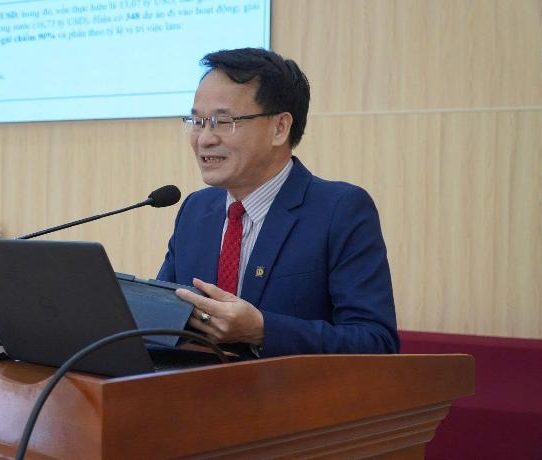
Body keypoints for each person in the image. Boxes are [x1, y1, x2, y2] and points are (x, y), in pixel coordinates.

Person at [158, 48, 399, 358]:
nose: (204, 138)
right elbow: (162, 321)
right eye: (197, 121)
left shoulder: (340, 210)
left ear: (280, 128)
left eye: (222, 121)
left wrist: (262, 329)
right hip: (192, 387)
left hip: (293, 389)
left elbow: (376, 343)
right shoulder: (196, 209)